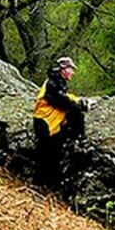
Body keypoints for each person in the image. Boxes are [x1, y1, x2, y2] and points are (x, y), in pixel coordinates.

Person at [32, 56, 92, 185]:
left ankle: (47, 186)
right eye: (71, 69)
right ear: (63, 69)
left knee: (53, 155)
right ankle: (39, 186)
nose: (73, 72)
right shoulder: (53, 83)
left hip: (51, 124)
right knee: (46, 156)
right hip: (44, 123)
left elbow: (66, 97)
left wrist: (79, 101)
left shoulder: (57, 82)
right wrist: (81, 105)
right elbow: (62, 102)